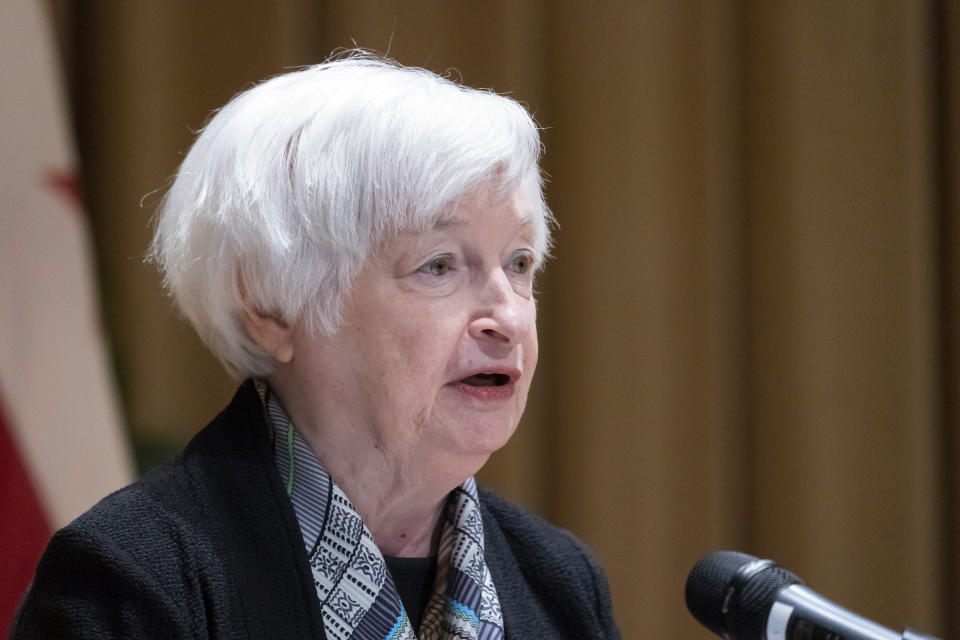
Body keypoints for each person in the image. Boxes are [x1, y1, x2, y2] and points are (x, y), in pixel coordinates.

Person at [12, 53, 620, 639]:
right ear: (270, 305)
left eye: (518, 262)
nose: (507, 317)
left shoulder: (559, 583)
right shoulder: (135, 580)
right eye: (438, 266)